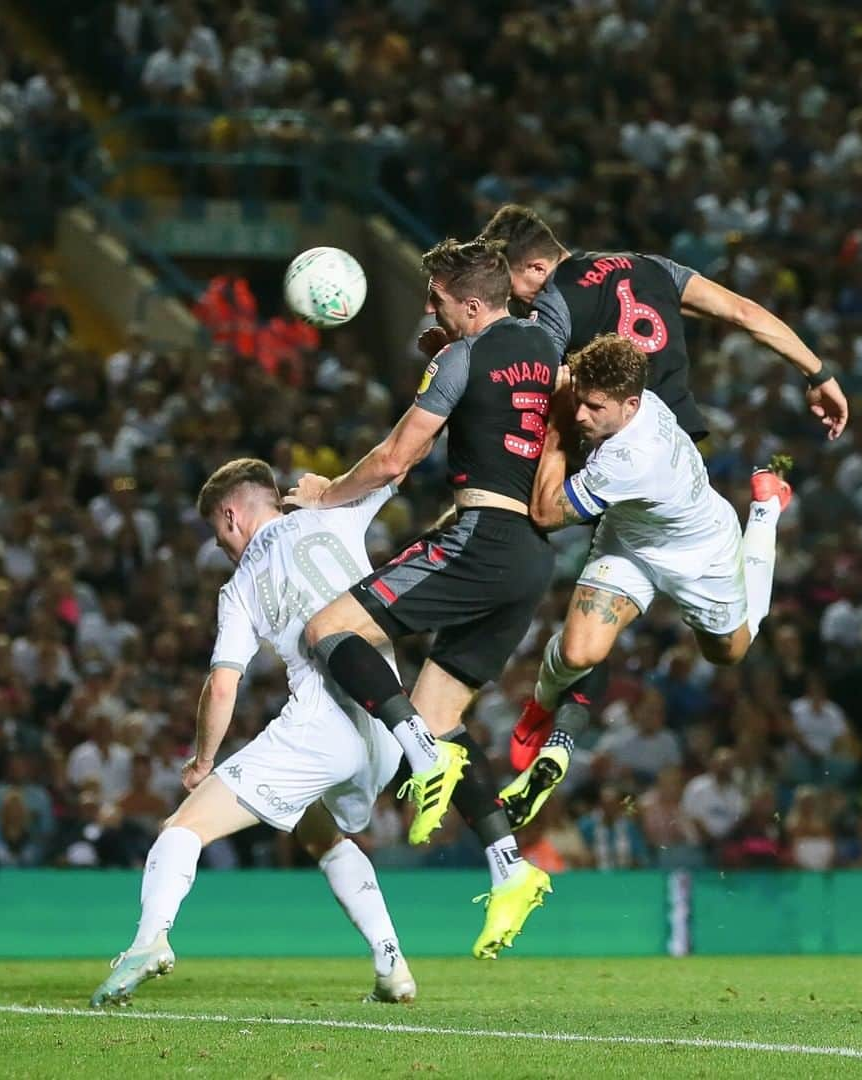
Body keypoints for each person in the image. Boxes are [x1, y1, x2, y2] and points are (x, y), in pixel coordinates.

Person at [286, 238, 556, 959]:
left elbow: (394, 459)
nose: (427, 310)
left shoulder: (461, 357)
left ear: (470, 303)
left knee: (328, 629)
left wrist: (323, 495)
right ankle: (510, 864)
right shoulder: (550, 342)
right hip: (534, 557)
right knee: (440, 715)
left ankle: (416, 753)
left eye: (435, 298)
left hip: (485, 535)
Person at [90, 459, 416, 1007]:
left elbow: (223, 685)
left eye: (219, 535)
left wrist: (201, 760)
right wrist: (330, 486)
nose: (222, 547)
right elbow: (398, 459)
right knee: (322, 833)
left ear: (231, 514)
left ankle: (149, 942)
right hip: (386, 722)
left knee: (182, 827)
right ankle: (392, 967)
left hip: (321, 724)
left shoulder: (240, 584)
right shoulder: (334, 511)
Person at [498, 334, 791, 829]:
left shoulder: (632, 458)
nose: (584, 415)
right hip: (631, 541)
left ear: (631, 405)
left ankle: (765, 510)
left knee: (731, 651)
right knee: (577, 654)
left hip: (702, 554)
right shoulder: (630, 394)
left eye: (595, 408)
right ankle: (541, 707)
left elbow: (546, 513)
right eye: (582, 403)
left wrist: (554, 430)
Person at [477, 202, 849, 444]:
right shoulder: (653, 266)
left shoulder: (554, 297)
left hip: (624, 450)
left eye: (512, 288)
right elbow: (744, 313)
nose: (515, 298)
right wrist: (819, 375)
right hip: (681, 439)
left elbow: (532, 379)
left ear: (537, 267)